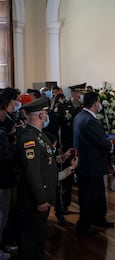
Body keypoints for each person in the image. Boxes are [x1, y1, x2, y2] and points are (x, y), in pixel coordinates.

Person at [15, 97, 58, 259]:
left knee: (39, 236)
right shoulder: (30, 139)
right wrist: (40, 199)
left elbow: (45, 162)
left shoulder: (39, 135)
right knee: (30, 242)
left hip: (43, 197)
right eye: (46, 113)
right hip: (33, 200)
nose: (47, 116)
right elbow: (32, 172)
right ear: (41, 116)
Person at [73, 92, 113, 235]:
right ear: (95, 103)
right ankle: (84, 225)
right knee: (89, 196)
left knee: (97, 193)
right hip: (91, 164)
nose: (99, 105)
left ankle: (98, 218)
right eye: (98, 102)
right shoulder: (89, 120)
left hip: (88, 164)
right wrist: (109, 144)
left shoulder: (79, 116)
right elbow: (101, 142)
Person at [55, 83, 85, 225]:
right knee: (66, 178)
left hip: (81, 147)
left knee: (82, 175)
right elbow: (57, 128)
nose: (81, 96)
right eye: (79, 93)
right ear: (73, 94)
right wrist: (59, 146)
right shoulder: (63, 107)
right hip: (67, 147)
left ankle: (84, 203)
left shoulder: (83, 108)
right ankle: (64, 204)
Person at [0, 91, 16, 260]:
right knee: (1, 217)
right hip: (2, 181)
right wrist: (15, 145)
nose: (6, 113)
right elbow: (6, 159)